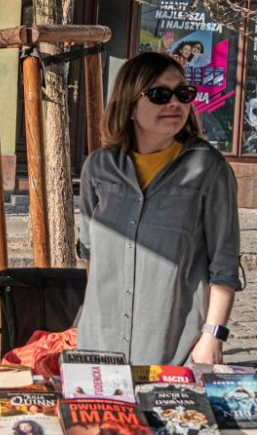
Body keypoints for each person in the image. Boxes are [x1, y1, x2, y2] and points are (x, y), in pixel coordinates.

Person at [76, 52, 241, 366]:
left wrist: (213, 335)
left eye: (183, 94)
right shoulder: (99, 167)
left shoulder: (209, 169)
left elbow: (224, 263)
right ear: (129, 104)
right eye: (160, 94)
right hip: (98, 344)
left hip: (174, 347)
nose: (174, 103)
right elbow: (89, 255)